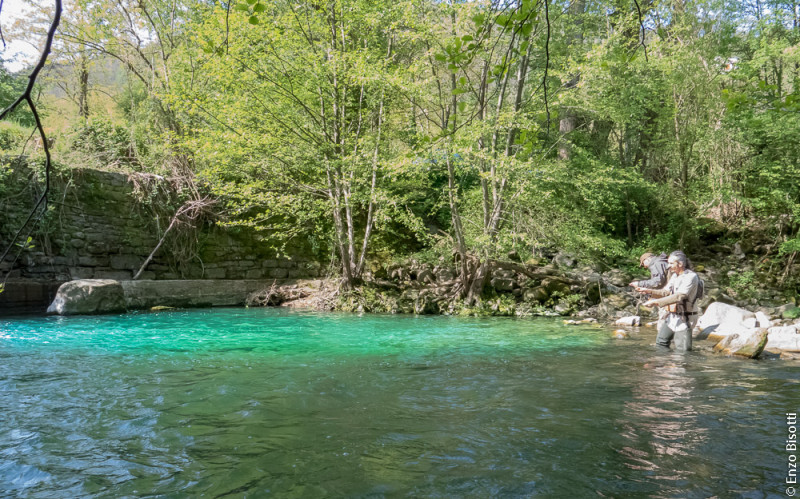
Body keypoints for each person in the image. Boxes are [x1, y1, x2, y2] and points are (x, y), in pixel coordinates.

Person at [636, 250, 700, 352]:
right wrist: (648, 291)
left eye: (671, 263)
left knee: (683, 351)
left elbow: (679, 296)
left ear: (680, 264)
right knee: (661, 342)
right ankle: (663, 365)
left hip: (686, 318)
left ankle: (681, 366)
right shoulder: (675, 275)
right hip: (672, 316)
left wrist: (655, 302)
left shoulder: (691, 277)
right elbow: (665, 292)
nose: (668, 266)